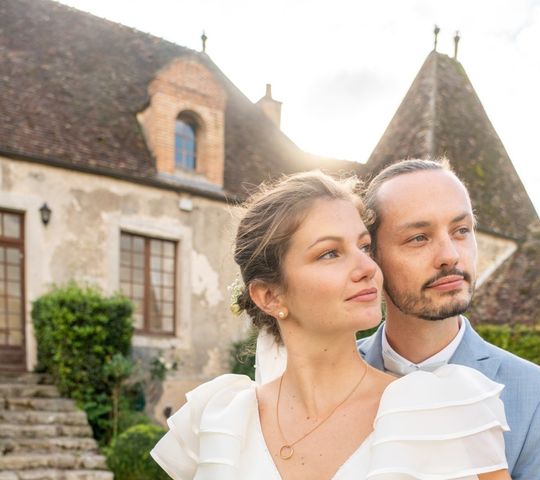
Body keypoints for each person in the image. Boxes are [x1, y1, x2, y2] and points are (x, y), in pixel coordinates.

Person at [151, 171, 511, 479]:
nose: (368, 269)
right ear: (270, 296)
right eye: (329, 253)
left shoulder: (443, 410)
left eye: (365, 247)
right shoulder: (218, 418)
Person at [358, 159, 540, 480]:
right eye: (419, 237)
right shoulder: (332, 375)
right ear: (372, 257)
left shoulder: (539, 394)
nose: (450, 255)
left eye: (461, 231)